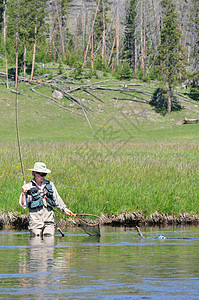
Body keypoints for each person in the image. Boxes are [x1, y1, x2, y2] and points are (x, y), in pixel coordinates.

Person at [19, 162, 73, 237]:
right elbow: (23, 204)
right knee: (36, 241)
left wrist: (64, 209)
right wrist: (23, 193)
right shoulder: (28, 186)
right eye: (41, 174)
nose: (43, 176)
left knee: (49, 239)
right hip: (35, 220)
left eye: (44, 174)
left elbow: (57, 198)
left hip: (49, 219)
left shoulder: (50, 184)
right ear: (34, 173)